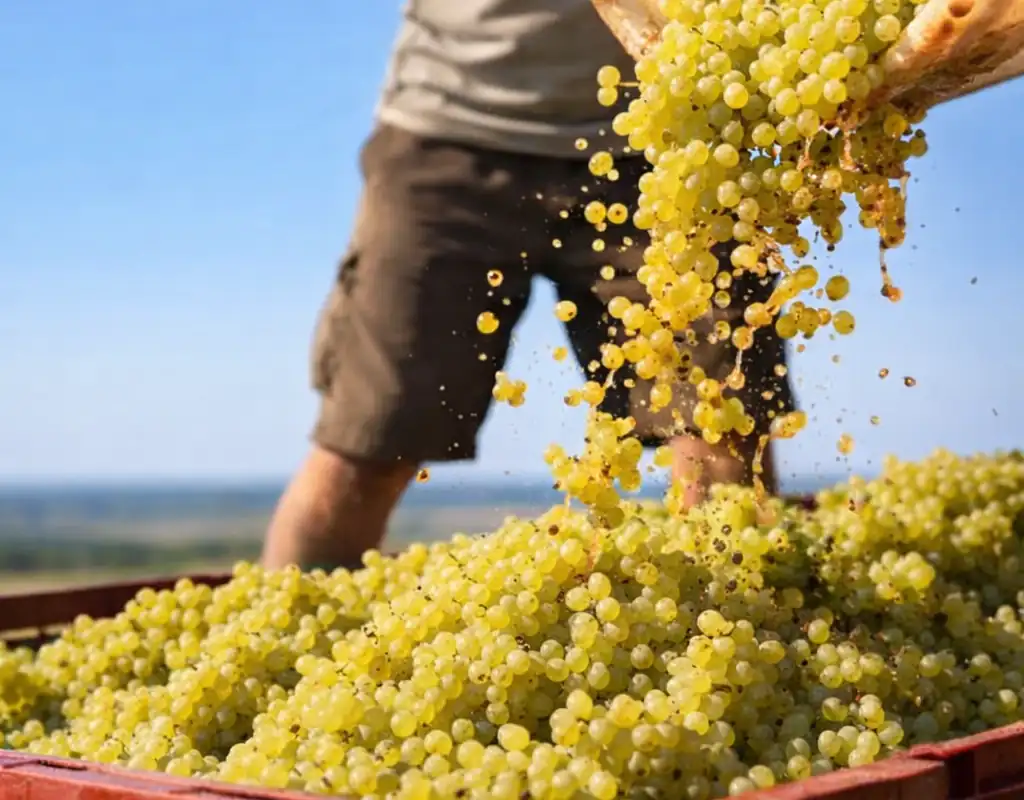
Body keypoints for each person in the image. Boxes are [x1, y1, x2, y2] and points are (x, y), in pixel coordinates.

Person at [260, 0, 794, 572]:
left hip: (670, 136)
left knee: (720, 433)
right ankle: (287, 651)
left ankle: (727, 646)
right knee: (366, 444)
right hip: (452, 128)